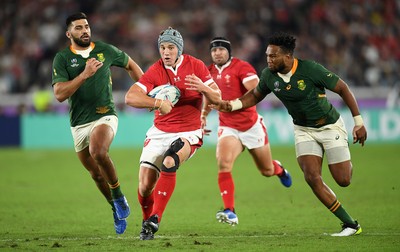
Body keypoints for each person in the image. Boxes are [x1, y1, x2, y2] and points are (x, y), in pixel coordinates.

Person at [211, 32, 367, 237]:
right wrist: (230, 105)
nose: (269, 59)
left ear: (287, 56)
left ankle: (342, 156)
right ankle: (350, 224)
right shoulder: (269, 75)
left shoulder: (310, 69)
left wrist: (358, 122)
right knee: (312, 177)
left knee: (343, 179)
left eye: (273, 56)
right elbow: (254, 96)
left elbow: (343, 88)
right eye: (267, 55)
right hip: (303, 130)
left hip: (329, 126)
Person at [124, 27, 221, 240]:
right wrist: (157, 102)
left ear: (179, 49)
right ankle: (146, 221)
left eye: (170, 47)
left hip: (189, 131)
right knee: (145, 184)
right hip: (160, 131)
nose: (165, 52)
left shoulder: (196, 66)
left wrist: (203, 88)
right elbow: (130, 98)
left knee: (170, 160)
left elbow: (218, 97)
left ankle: (156, 217)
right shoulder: (156, 70)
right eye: (162, 47)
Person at [51, 12, 144, 235]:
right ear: (68, 33)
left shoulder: (105, 50)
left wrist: (147, 91)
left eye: (87, 26)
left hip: (105, 115)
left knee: (99, 151)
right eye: (79, 28)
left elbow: (131, 65)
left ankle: (119, 195)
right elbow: (59, 94)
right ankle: (114, 207)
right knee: (95, 174)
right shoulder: (62, 59)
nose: (85, 31)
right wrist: (84, 74)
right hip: (78, 123)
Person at [204, 37, 292, 226]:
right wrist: (202, 116)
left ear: (229, 51)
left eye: (221, 49)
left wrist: (235, 103)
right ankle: (230, 211)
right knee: (224, 163)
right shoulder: (208, 72)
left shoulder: (241, 67)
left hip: (251, 126)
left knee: (266, 170)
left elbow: (256, 89)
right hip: (228, 127)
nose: (217, 53)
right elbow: (207, 96)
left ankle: (279, 169)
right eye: (214, 50)